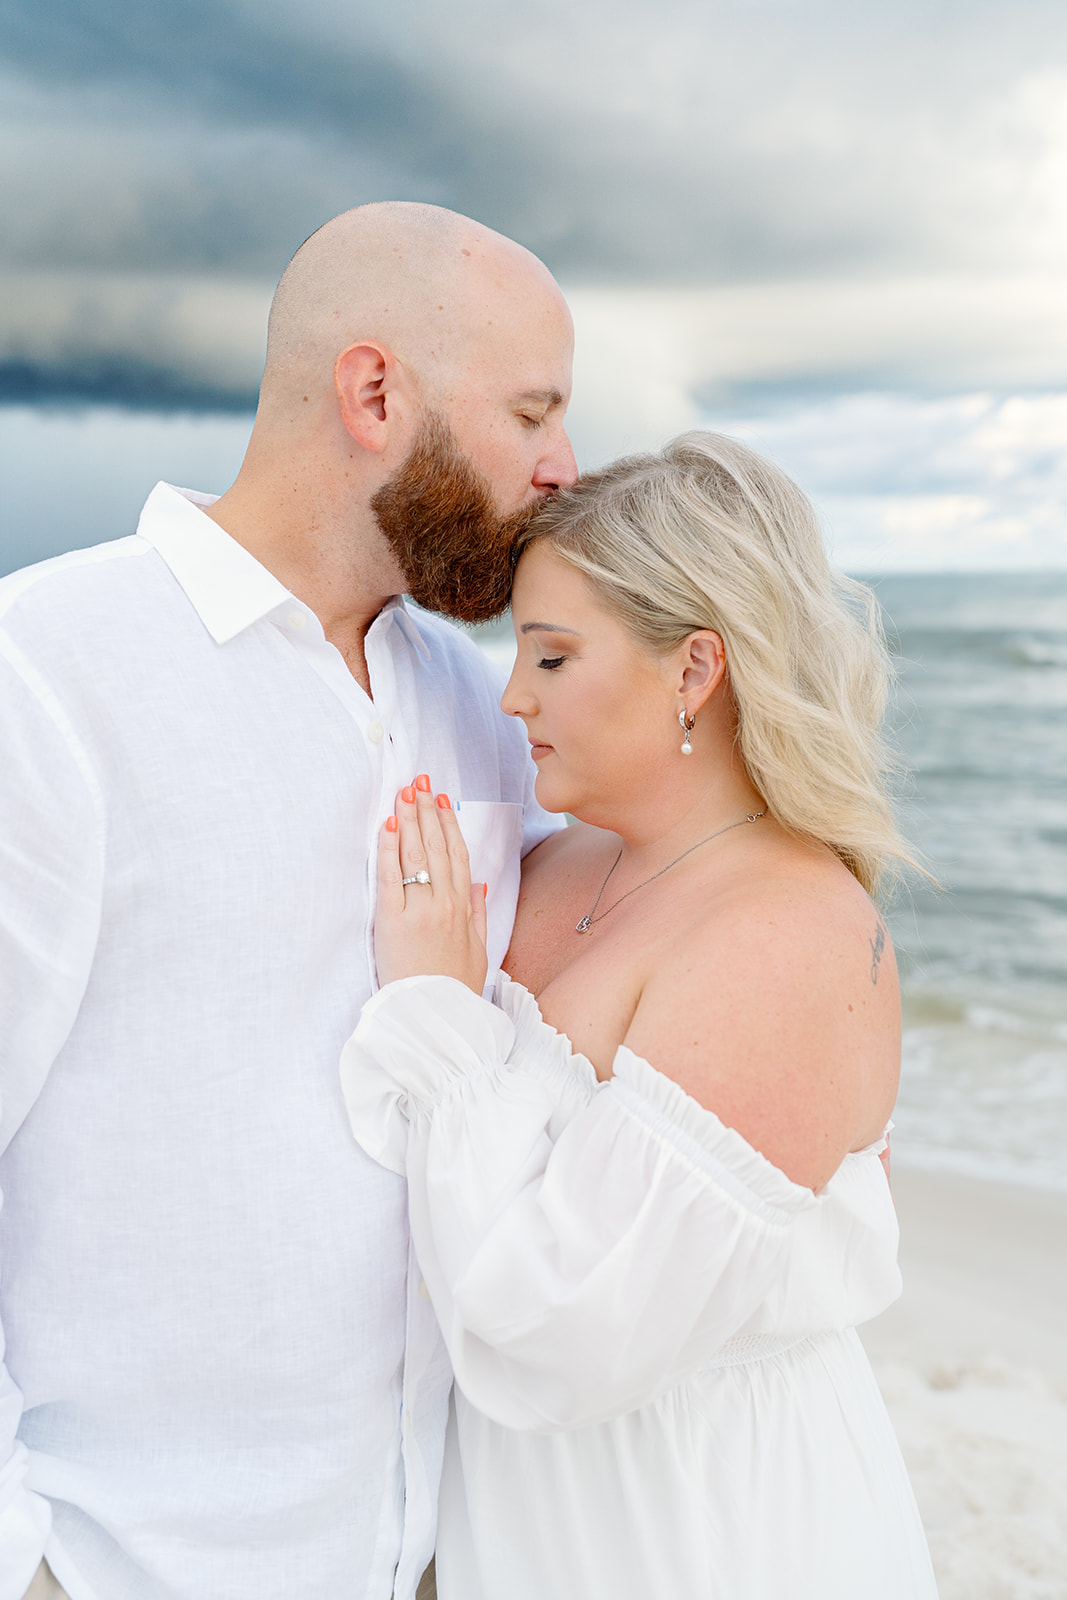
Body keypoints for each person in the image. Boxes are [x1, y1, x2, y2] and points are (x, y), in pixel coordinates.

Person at [0, 202, 576, 1600]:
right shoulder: (44, 675)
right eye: (530, 413)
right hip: (126, 1560)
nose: (566, 469)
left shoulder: (489, 709)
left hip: (421, 1552)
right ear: (375, 393)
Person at [341, 432, 940, 1599]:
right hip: (516, 1523)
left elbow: (552, 1333)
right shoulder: (559, 862)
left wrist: (434, 1011)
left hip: (702, 1531)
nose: (510, 694)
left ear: (693, 670)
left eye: (553, 656)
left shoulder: (788, 937)